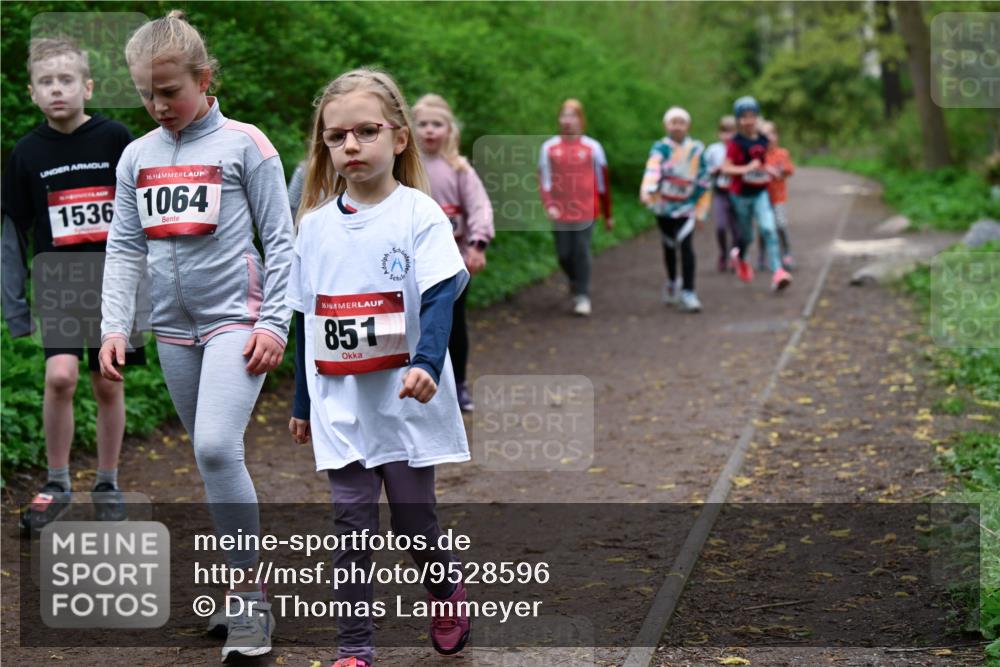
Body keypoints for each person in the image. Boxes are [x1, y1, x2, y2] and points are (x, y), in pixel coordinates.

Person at [98, 10, 293, 659]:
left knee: (213, 445)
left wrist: (275, 322)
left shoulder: (246, 144)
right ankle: (240, 593)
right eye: (146, 94)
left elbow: (281, 240)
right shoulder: (136, 156)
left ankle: (251, 601)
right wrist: (114, 325)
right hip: (172, 330)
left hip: (236, 319)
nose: (158, 106)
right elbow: (125, 246)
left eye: (170, 91)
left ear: (205, 79)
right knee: (214, 460)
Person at [286, 68, 472, 667]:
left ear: (398, 138)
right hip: (340, 402)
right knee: (351, 523)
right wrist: (302, 401)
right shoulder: (313, 227)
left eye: (366, 131)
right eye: (336, 136)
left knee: (413, 523)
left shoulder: (419, 214)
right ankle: (355, 649)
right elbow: (307, 319)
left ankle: (445, 589)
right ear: (324, 146)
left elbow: (441, 295)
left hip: (406, 399)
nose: (351, 145)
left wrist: (427, 364)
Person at [2, 37, 146, 534]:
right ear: (32, 93)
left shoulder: (116, 138)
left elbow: (143, 213)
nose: (57, 89)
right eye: (46, 82)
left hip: (115, 282)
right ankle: (57, 483)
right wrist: (14, 306)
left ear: (87, 86)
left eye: (66, 80)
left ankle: (107, 482)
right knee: (60, 377)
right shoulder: (26, 153)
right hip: (59, 283)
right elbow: (12, 233)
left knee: (108, 381)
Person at [413, 93, 494, 412]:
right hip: (412, 261)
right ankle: (415, 382)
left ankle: (458, 384)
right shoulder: (403, 167)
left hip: (453, 261)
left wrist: (477, 244)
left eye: (437, 124)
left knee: (452, 323)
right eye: (423, 124)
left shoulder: (459, 169)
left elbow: (479, 206)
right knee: (413, 324)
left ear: (449, 130)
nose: (429, 130)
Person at [538, 98, 614, 316]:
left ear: (581, 120)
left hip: (586, 209)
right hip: (560, 210)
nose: (568, 120)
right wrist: (549, 204)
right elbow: (544, 180)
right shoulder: (549, 147)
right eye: (564, 115)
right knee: (563, 254)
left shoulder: (593, 148)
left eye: (573, 116)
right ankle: (574, 279)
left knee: (581, 250)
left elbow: (602, 182)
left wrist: (608, 213)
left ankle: (583, 295)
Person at [640, 106, 708, 312]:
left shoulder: (696, 149)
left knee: (686, 245)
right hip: (664, 207)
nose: (677, 127)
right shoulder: (660, 148)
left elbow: (704, 179)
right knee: (669, 246)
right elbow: (653, 168)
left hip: (686, 206)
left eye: (681, 122)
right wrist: (647, 190)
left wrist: (701, 210)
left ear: (688, 126)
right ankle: (672, 281)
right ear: (666, 125)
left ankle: (689, 291)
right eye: (673, 122)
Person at [721, 96, 791, 292]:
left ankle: (778, 271)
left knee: (769, 228)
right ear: (738, 120)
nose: (749, 120)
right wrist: (746, 169)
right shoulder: (735, 143)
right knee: (748, 236)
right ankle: (740, 257)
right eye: (744, 117)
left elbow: (762, 161)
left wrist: (769, 169)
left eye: (752, 116)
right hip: (741, 195)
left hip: (760, 192)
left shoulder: (763, 139)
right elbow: (726, 168)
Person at [702, 115, 739, 272]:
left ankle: (735, 257)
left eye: (732, 132)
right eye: (725, 131)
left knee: (737, 230)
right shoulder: (713, 150)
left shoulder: (740, 149)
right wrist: (714, 171)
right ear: (719, 133)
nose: (728, 136)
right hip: (720, 193)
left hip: (737, 194)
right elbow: (703, 169)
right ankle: (723, 253)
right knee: (721, 226)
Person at [761, 120, 795, 270]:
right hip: (762, 198)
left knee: (781, 225)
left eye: (771, 133)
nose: (768, 137)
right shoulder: (758, 154)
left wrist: (781, 170)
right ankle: (763, 255)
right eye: (764, 134)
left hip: (778, 198)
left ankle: (786, 252)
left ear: (776, 135)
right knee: (764, 228)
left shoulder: (782, 153)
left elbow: (789, 170)